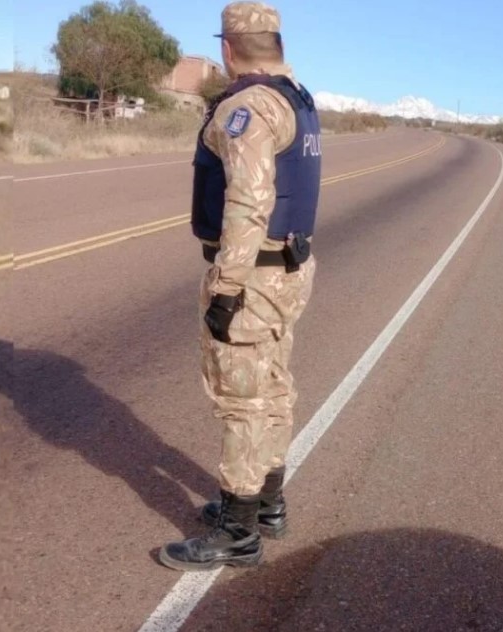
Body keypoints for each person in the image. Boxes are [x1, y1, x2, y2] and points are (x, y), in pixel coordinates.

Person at [158, 1, 322, 572]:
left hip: (254, 275)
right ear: (275, 44)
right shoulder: (297, 100)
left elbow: (248, 201)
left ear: (228, 49)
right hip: (289, 270)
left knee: (241, 398)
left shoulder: (249, 107)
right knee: (273, 384)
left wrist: (226, 288)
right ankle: (267, 503)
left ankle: (238, 529)